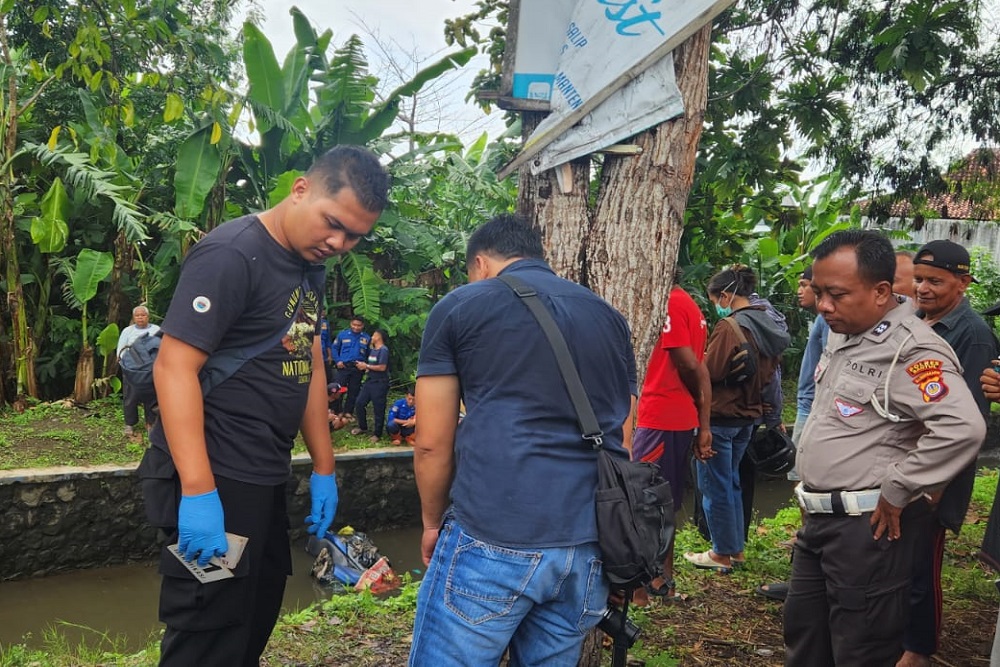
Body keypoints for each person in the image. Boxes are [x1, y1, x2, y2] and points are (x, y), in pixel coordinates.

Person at [139, 145, 389, 666]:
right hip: (214, 476)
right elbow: (173, 367)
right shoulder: (232, 254)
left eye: (354, 237)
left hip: (262, 476)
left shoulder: (309, 266)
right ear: (301, 189)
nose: (339, 243)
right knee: (208, 633)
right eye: (333, 223)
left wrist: (324, 466)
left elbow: (310, 356)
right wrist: (199, 492)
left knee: (254, 619)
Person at [409, 214, 637, 666]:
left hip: (494, 535)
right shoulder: (609, 318)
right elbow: (622, 434)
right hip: (588, 544)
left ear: (480, 263)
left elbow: (432, 442)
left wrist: (433, 523)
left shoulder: (461, 306)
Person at [783, 229, 985, 667]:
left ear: (880, 291)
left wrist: (900, 486)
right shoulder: (844, 332)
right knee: (804, 639)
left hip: (866, 530)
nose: (823, 306)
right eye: (819, 292)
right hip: (819, 522)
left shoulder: (912, 352)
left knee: (861, 648)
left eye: (836, 294)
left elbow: (962, 428)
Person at [897, 240, 997, 667]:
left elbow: (968, 421)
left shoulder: (972, 335)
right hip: (904, 461)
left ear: (963, 283)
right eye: (919, 279)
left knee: (922, 565)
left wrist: (936, 482)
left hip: (938, 473)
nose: (923, 289)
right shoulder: (915, 322)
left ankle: (919, 649)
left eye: (935, 281)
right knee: (897, 560)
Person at [684, 265, 789, 572]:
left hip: (721, 416)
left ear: (726, 295)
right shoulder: (768, 323)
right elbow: (773, 378)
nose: (716, 305)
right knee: (730, 482)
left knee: (715, 486)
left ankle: (721, 553)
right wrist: (773, 415)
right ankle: (734, 549)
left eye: (715, 298)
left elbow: (709, 372)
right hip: (749, 417)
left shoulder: (730, 327)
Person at [631, 268, 711, 603]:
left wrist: (704, 418)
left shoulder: (669, 305)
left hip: (661, 415)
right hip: (675, 417)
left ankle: (641, 587)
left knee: (643, 501)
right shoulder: (689, 304)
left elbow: (691, 364)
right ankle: (664, 578)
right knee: (665, 501)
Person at [755, 264, 830, 602]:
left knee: (807, 488)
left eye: (805, 284)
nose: (800, 291)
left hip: (815, 409)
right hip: (805, 406)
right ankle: (805, 557)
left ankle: (809, 567)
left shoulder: (830, 321)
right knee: (801, 487)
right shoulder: (819, 321)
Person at [116, 305, 161, 443]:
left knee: (151, 398)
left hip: (150, 371)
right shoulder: (127, 331)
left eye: (143, 315)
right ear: (134, 317)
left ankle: (151, 424)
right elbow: (120, 352)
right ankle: (129, 424)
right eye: (137, 315)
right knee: (130, 397)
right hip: (132, 371)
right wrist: (127, 367)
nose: (140, 318)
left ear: (148, 317)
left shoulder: (156, 330)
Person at [350, 329, 390, 443]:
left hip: (379, 383)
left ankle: (377, 433)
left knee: (378, 408)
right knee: (359, 403)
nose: (371, 337)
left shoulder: (383, 350)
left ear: (378, 336)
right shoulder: (373, 350)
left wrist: (366, 366)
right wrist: (365, 367)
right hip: (369, 381)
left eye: (373, 335)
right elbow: (372, 365)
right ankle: (362, 426)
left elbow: (382, 367)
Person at [331, 316, 371, 418]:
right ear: (350, 324)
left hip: (357, 368)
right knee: (339, 389)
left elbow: (369, 354)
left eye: (359, 325)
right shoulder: (342, 335)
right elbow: (334, 348)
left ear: (363, 326)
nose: (356, 327)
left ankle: (348, 412)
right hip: (343, 366)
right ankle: (336, 411)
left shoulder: (366, 338)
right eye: (354, 325)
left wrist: (366, 366)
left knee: (354, 390)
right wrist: (338, 360)